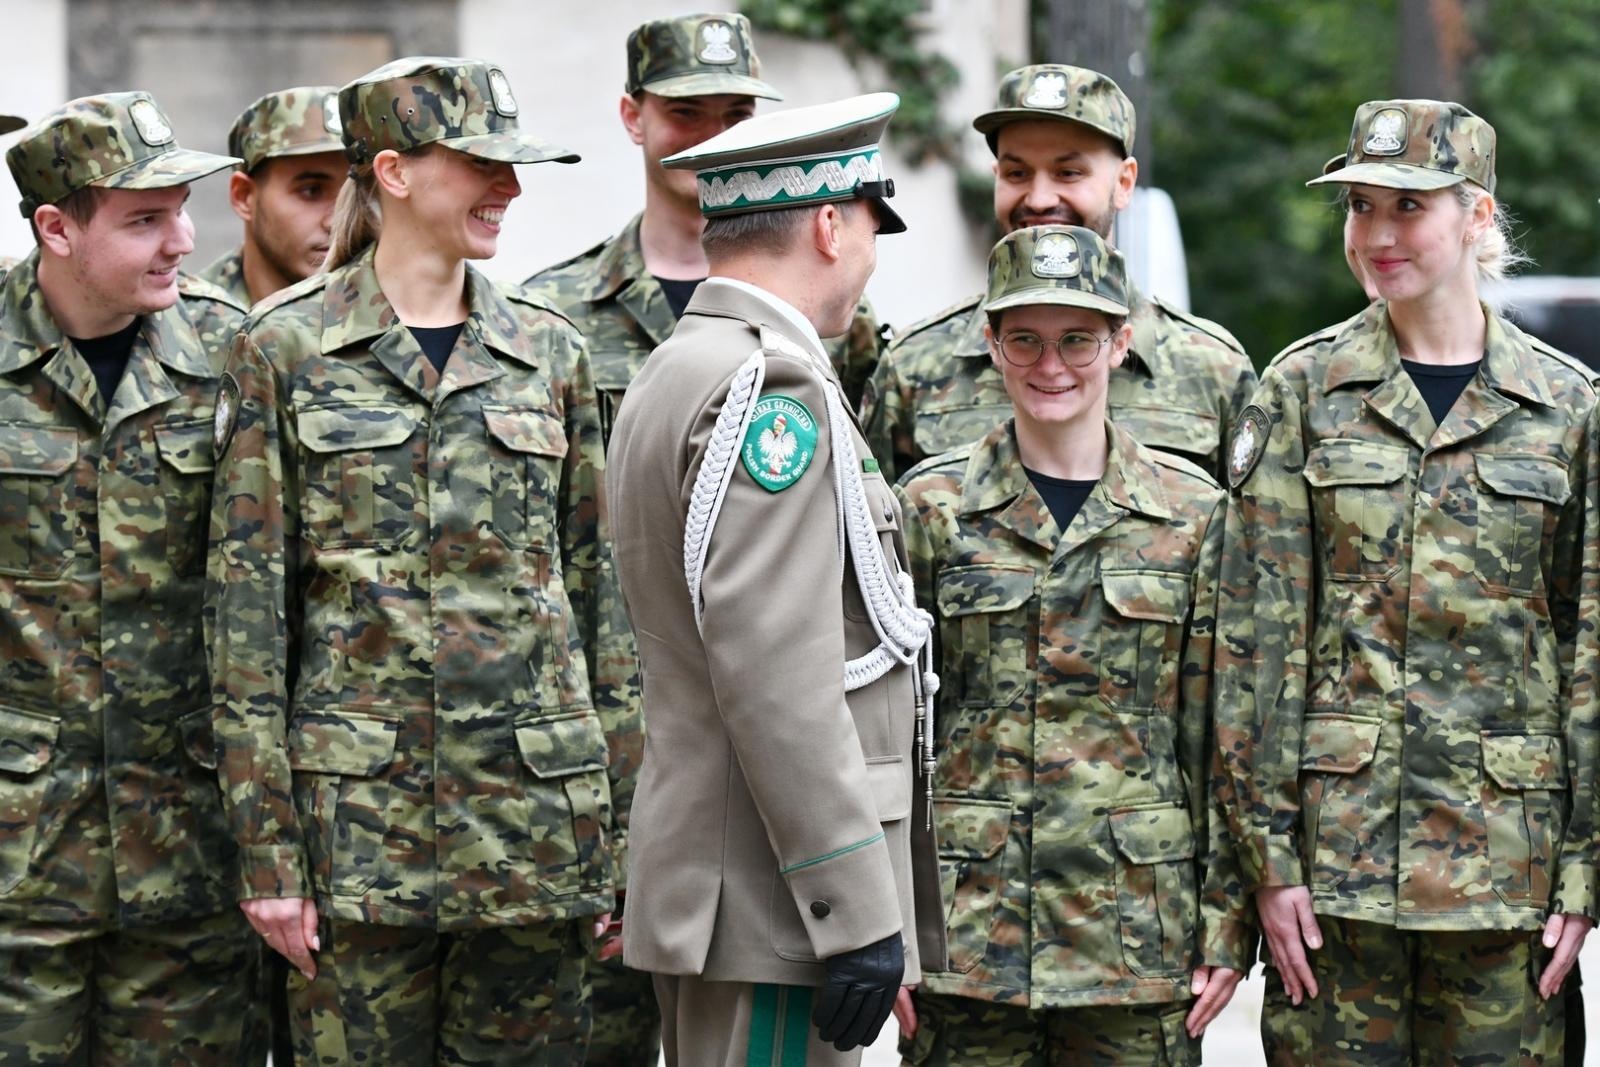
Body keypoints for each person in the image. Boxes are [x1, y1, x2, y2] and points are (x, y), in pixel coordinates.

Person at [206, 57, 639, 1064]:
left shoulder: (550, 351)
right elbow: (245, 617)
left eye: (513, 165)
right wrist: (269, 849)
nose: (511, 187)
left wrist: (625, 841)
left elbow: (602, 605)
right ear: (393, 173)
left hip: (536, 828)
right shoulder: (284, 349)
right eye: (482, 162)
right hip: (358, 835)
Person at [1217, 98, 1599, 1064]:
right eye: (1359, 207)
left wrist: (1586, 867)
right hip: (1337, 881)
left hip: (1508, 872)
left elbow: (1590, 644)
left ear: (1476, 215)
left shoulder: (1566, 407)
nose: (1377, 236)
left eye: (1407, 207)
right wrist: (1268, 858)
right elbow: (1259, 639)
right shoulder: (1301, 391)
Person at [606, 92, 943, 1065]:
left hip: (732, 883)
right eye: (872, 226)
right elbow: (774, 667)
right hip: (773, 897)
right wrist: (849, 900)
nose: (872, 257)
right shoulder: (769, 387)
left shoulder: (683, 361)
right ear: (831, 224)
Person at [893, 225, 1249, 1065]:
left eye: (1078, 339)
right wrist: (881, 918)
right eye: (1025, 338)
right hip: (966, 931)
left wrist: (1226, 919)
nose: (1051, 365)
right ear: (991, 342)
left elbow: (1225, 733)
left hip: (1138, 934)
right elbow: (884, 729)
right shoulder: (929, 508)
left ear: (1121, 341)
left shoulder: (1192, 515)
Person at [0, 92, 265, 1063]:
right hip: (18, 861)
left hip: (188, 851)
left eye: (184, 211)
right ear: (57, 228)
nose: (184, 241)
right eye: (146, 219)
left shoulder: (232, 352)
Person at [862, 64, 1256, 483]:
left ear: (1124, 183)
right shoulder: (913, 367)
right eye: (1017, 173)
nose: (1040, 198)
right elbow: (873, 537)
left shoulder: (1213, 369)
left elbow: (1244, 539)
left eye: (1069, 173)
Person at [526, 12, 887, 441]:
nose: (715, 138)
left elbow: (864, 475)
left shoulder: (823, 300)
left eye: (736, 116)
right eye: (686, 112)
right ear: (633, 117)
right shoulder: (556, 311)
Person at [200, 85, 346, 307]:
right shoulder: (185, 326)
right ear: (244, 196)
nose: (338, 221)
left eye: (356, 192)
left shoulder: (404, 312)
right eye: (311, 191)